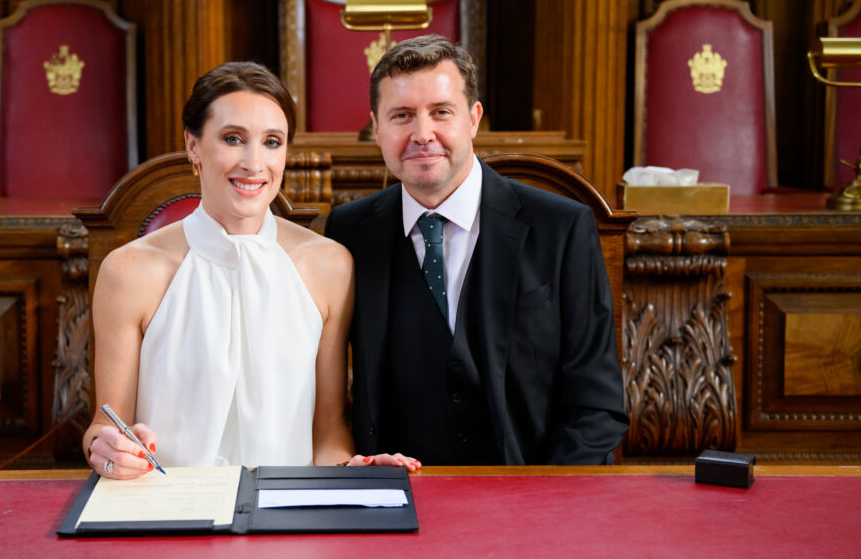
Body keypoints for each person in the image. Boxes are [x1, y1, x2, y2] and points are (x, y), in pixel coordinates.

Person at [84, 62, 417, 478]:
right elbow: (104, 424)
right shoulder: (130, 271)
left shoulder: (329, 265)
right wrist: (107, 448)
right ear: (193, 145)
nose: (254, 163)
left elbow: (328, 434)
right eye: (232, 139)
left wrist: (356, 471)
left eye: (272, 142)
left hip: (289, 516)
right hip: (167, 512)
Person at [325, 35, 629, 465]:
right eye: (402, 116)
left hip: (532, 498)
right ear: (376, 128)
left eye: (441, 113)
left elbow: (597, 408)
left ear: (473, 119)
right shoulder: (349, 230)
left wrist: (547, 504)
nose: (422, 134)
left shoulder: (561, 229)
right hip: (395, 496)